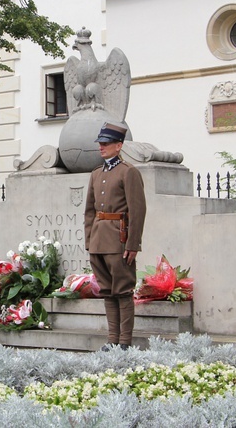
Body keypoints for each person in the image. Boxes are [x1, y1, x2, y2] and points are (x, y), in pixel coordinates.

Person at [84, 122, 147, 351]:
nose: (101, 147)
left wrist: (133, 243)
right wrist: (89, 240)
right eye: (100, 143)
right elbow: (90, 210)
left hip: (118, 240)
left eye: (107, 143)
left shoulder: (128, 172)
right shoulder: (96, 174)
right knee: (107, 292)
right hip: (99, 240)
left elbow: (137, 210)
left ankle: (125, 342)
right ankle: (112, 339)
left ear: (118, 146)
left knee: (123, 291)